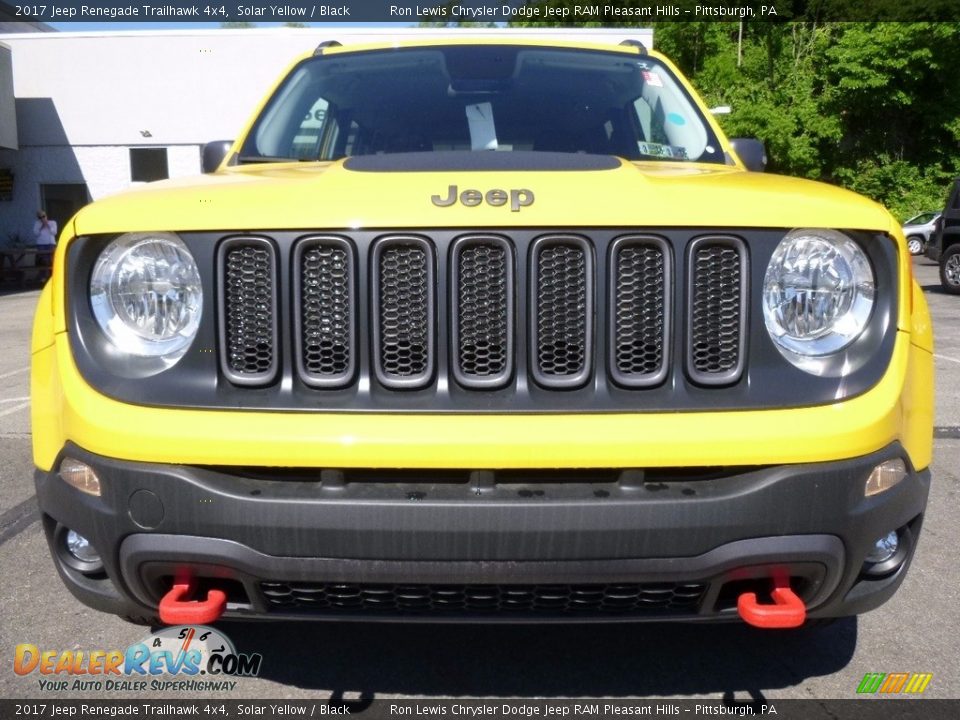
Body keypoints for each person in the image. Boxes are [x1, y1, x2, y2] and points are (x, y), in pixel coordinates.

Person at [33, 209, 57, 280]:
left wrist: (48, 225)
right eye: (40, 217)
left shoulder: (52, 223)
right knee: (42, 261)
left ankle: (51, 276)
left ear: (46, 216)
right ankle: (42, 276)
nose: (42, 218)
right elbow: (36, 233)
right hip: (41, 244)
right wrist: (41, 227)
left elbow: (54, 232)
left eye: (43, 216)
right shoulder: (37, 224)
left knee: (51, 260)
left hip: (50, 243)